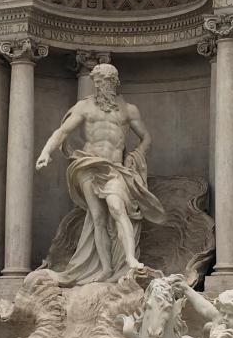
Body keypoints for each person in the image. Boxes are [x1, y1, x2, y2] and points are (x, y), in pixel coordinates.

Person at [35, 62, 165, 284]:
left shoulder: (129, 110)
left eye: (102, 82)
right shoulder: (85, 107)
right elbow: (63, 131)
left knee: (117, 208)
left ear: (113, 82)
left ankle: (130, 258)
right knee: (97, 217)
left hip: (114, 168)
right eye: (95, 82)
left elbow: (146, 137)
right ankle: (105, 268)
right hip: (88, 164)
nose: (97, 86)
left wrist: (135, 155)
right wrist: (46, 152)